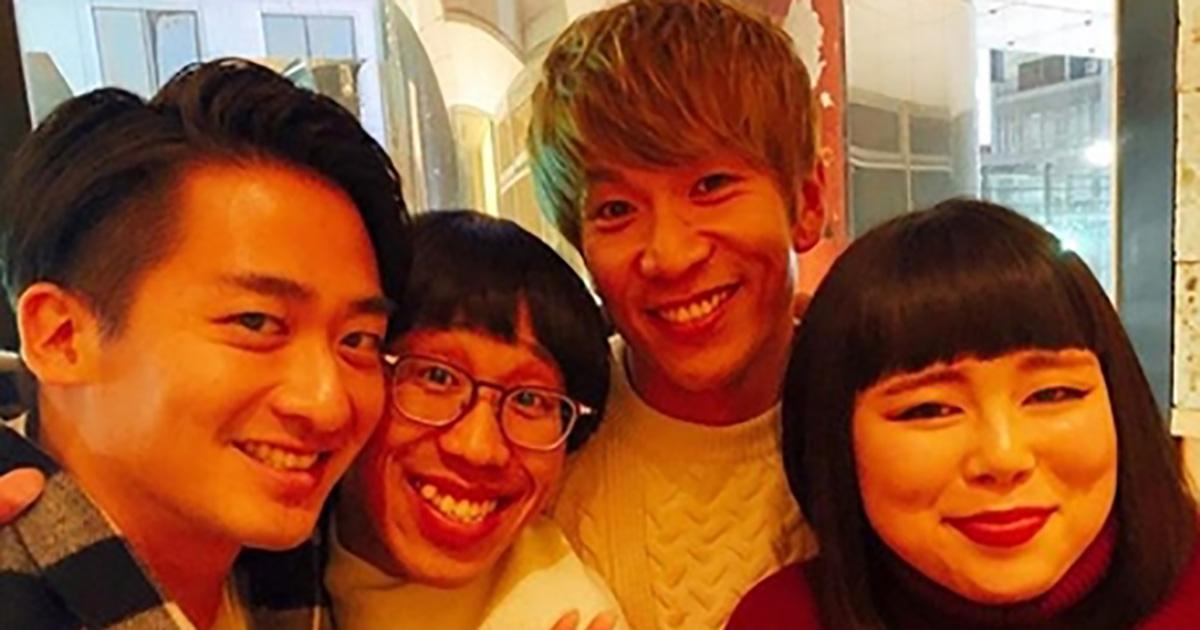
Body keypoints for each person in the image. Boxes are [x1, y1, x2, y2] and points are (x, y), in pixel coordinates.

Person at [0, 58, 408, 630]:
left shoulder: (313, 568)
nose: (327, 403)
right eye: (256, 323)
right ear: (60, 337)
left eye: (358, 340)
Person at [728, 198, 1200, 630]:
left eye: (1051, 394)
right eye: (929, 409)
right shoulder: (782, 620)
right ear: (836, 442)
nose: (1003, 457)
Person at [527, 0, 824, 627]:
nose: (670, 254)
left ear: (808, 203)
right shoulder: (539, 449)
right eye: (616, 210)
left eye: (711, 186)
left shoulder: (883, 426)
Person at [326, 210, 626, 630]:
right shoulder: (260, 555)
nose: (478, 447)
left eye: (529, 399)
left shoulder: (562, 616)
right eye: (437, 376)